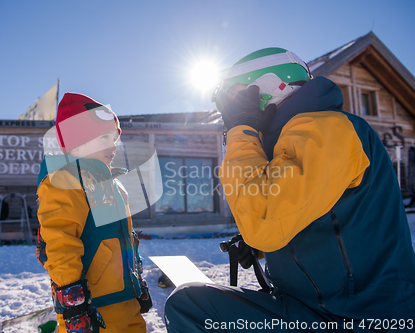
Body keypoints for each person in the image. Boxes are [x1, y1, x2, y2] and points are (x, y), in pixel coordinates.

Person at [165, 47, 415, 331]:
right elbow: (307, 213)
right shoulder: (297, 136)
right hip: (319, 309)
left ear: (268, 89)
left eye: (235, 101)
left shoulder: (325, 129)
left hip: (359, 318)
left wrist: (241, 130)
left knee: (191, 307)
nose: (230, 114)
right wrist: (258, 247)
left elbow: (264, 221)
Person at [36, 93, 151, 333]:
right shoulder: (65, 179)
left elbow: (125, 242)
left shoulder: (113, 183)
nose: (113, 145)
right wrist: (74, 305)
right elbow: (59, 242)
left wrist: (137, 283)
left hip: (126, 299)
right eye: (104, 137)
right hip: (93, 308)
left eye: (115, 138)